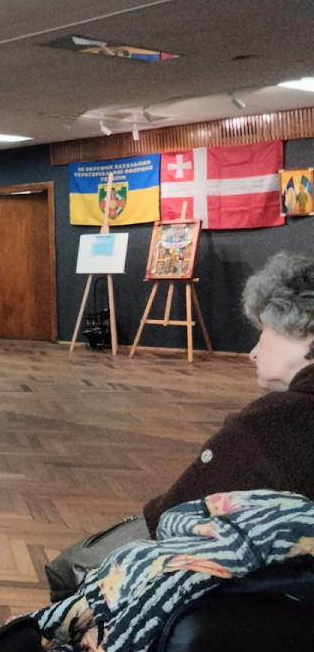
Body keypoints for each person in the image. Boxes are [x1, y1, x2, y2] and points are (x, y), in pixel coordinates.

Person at [46, 251, 314, 600]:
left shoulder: (270, 423)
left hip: (226, 586)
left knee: (67, 570)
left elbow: (177, 514)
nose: (254, 351)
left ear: (304, 334)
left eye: (265, 331)